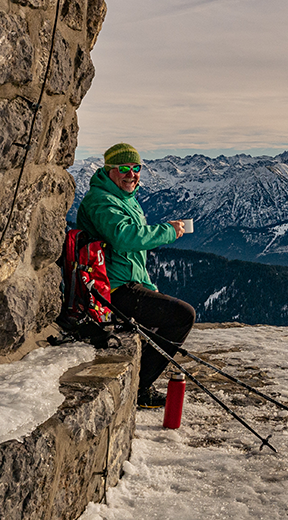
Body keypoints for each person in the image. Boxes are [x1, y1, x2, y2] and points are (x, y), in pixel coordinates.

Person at [76, 142, 196, 408]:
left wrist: (147, 286)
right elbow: (125, 239)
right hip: (110, 290)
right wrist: (168, 231)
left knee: (169, 317)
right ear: (109, 170)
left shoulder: (124, 199)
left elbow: (130, 256)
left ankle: (140, 383)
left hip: (124, 283)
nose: (132, 174)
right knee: (182, 316)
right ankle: (140, 387)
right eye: (124, 168)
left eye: (136, 168)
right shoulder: (101, 201)